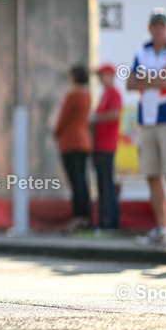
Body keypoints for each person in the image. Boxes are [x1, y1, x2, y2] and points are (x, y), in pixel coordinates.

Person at [128, 8, 166, 245]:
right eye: (154, 25)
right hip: (147, 120)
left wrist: (146, 79)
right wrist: (154, 78)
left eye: (161, 25)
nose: (157, 29)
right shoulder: (141, 51)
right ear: (149, 28)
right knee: (152, 174)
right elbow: (130, 82)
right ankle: (162, 228)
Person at [54, 65, 93, 233]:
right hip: (84, 141)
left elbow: (62, 120)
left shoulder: (73, 95)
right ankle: (85, 217)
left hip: (70, 142)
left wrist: (56, 133)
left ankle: (77, 218)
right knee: (82, 181)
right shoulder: (87, 96)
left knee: (75, 182)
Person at [91, 63, 122, 233]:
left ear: (111, 75)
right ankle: (106, 222)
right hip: (100, 145)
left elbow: (115, 113)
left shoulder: (114, 93)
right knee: (103, 186)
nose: (101, 79)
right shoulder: (105, 95)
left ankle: (108, 224)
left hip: (107, 146)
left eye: (103, 75)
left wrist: (96, 118)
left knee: (106, 185)